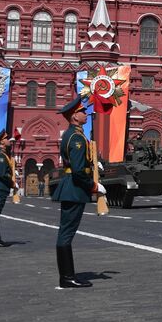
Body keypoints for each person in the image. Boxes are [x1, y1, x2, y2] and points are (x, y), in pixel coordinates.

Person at [51, 98, 97, 288]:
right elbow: (78, 170)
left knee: (66, 232)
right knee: (67, 233)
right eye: (82, 112)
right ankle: (67, 277)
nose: (86, 114)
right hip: (74, 188)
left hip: (71, 187)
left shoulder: (73, 135)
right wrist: (92, 185)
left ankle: (67, 276)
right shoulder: (76, 138)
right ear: (74, 117)